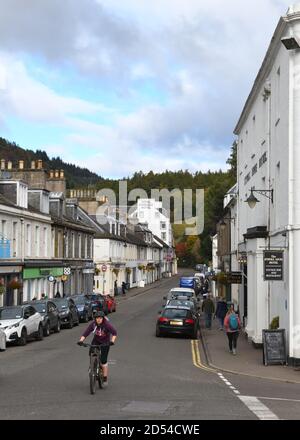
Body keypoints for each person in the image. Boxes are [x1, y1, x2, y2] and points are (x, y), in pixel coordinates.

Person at [78, 311, 117, 385]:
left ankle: (105, 377)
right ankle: (93, 366)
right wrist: (81, 340)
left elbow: (114, 333)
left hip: (105, 343)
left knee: (103, 360)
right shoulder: (93, 324)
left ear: (103, 319)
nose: (98, 320)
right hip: (96, 341)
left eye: (100, 318)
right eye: (97, 318)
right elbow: (86, 332)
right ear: (95, 319)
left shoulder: (107, 325)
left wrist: (112, 341)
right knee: (91, 352)